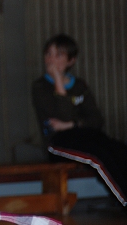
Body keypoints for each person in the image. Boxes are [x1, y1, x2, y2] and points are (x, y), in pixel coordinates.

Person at [32, 33, 127, 207]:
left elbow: (96, 119)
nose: (51, 60)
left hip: (85, 135)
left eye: (58, 55)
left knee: (119, 149)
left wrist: (72, 124)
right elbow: (63, 116)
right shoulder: (40, 87)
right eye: (48, 54)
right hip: (58, 143)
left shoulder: (79, 86)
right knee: (97, 157)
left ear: (71, 60)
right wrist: (59, 82)